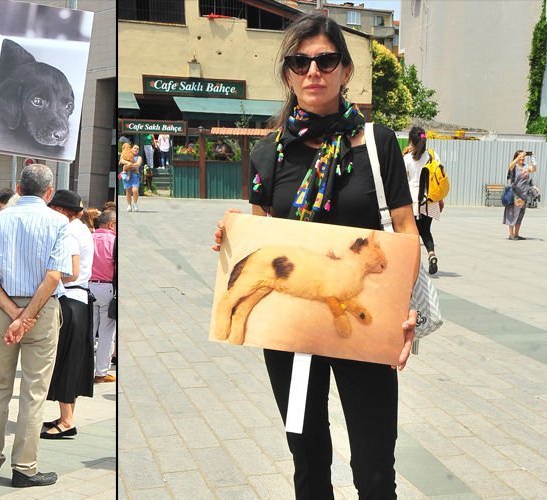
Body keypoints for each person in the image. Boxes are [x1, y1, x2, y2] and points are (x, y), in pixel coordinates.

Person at [212, 13, 419, 498]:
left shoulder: (376, 143)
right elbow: (263, 227)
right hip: (293, 331)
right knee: (308, 459)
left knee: (373, 467)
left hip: (362, 329)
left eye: (326, 60)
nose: (313, 71)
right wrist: (230, 238)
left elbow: (406, 229)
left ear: (345, 71)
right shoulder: (269, 153)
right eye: (300, 62)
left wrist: (403, 309)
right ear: (287, 73)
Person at [0, 163, 71, 488]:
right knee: (33, 392)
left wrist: (14, 312)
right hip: (40, 310)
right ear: (49, 192)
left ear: (18, 187)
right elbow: (55, 275)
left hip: (3, 308)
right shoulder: (58, 222)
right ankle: (24, 467)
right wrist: (27, 315)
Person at [42, 190, 94, 440]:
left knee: (64, 361)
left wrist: (47, 278)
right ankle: (66, 415)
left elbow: (71, 273)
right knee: (72, 361)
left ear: (61, 210)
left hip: (70, 298)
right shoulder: (81, 228)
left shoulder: (70, 231)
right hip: (80, 300)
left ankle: (67, 419)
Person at [403, 126, 443, 274]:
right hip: (430, 200)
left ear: (411, 141)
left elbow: (402, 180)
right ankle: (432, 254)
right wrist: (441, 200)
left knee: (412, 233)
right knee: (426, 231)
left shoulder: (407, 159)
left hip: (412, 200)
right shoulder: (433, 156)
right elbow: (439, 179)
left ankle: (414, 265)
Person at [91, 209, 116, 383]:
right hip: (107, 287)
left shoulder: (87, 237)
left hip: (87, 287)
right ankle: (101, 372)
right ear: (111, 224)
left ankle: (82, 369)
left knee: (88, 332)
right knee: (107, 333)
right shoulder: (114, 241)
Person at [504, 151, 535, 240]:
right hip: (515, 193)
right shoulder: (514, 166)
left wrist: (533, 159)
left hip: (524, 194)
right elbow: (510, 166)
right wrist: (518, 157)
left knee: (520, 214)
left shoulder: (525, 166)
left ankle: (517, 234)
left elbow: (534, 169)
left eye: (523, 156)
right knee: (513, 213)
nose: (522, 158)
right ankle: (511, 234)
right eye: (520, 156)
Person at [120, 144, 142, 212]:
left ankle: (135, 203)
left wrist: (129, 165)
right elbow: (121, 160)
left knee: (135, 190)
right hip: (126, 174)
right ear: (131, 149)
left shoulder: (139, 157)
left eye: (137, 149)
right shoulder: (126, 154)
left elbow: (138, 164)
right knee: (128, 191)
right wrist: (127, 162)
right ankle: (129, 205)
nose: (136, 150)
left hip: (135, 175)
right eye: (135, 148)